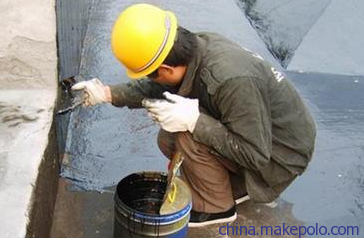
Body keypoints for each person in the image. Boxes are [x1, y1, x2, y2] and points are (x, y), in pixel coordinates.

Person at [72, 3, 316, 227]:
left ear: (166, 68)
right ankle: (235, 186)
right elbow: (158, 86)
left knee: (185, 136)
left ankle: (217, 209)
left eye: (150, 74)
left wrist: (195, 121)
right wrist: (107, 93)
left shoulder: (230, 79)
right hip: (263, 135)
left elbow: (255, 153)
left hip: (280, 155)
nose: (149, 80)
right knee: (170, 136)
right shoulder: (196, 49)